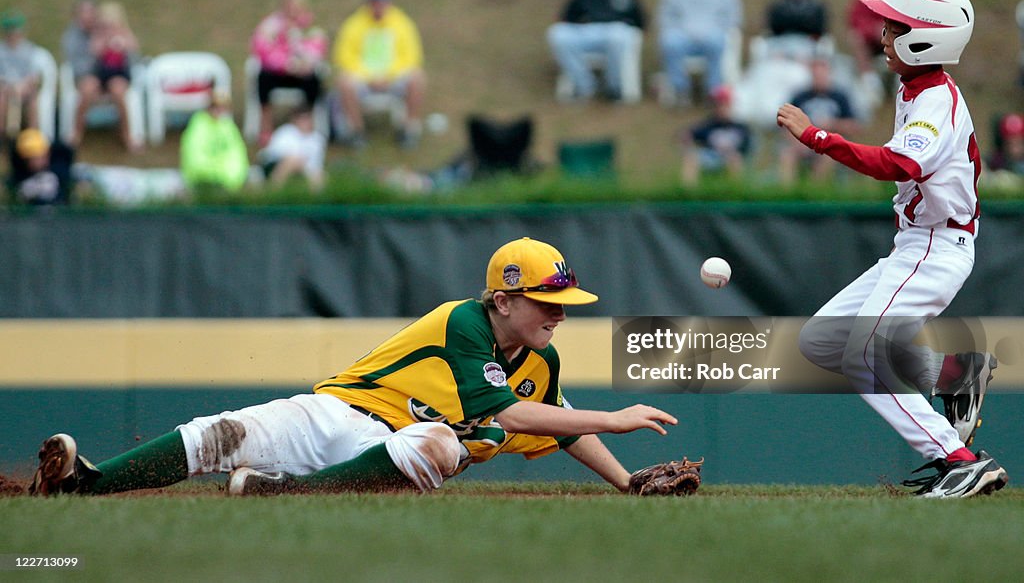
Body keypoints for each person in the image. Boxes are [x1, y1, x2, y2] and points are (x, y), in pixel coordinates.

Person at [27, 237, 682, 497]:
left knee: (441, 440)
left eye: (565, 302)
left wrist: (626, 483)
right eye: (548, 300)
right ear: (504, 299)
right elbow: (505, 412)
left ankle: (284, 496)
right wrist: (618, 416)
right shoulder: (465, 321)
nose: (561, 313)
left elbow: (563, 424)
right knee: (216, 431)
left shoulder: (541, 357)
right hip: (336, 412)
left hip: (392, 446)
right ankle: (81, 487)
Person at [777, 0, 1008, 498]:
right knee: (822, 339)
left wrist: (817, 138)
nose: (882, 34)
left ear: (925, 39)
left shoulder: (936, 102)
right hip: (916, 244)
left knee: (864, 354)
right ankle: (953, 374)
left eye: (894, 25)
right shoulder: (915, 86)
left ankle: (958, 459)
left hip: (935, 246)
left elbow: (898, 164)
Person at [333, 0, 426, 148]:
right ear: (368, 2)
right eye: (375, 1)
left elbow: (412, 56)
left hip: (393, 78)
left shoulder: (402, 23)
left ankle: (409, 130)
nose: (379, 5)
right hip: (364, 79)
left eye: (383, 1)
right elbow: (344, 56)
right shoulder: (354, 24)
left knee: (417, 77)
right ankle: (356, 131)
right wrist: (369, 77)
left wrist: (389, 75)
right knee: (344, 81)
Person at [546, 0, 647, 103]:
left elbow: (641, 22)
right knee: (557, 34)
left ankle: (614, 87)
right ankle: (585, 86)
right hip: (587, 34)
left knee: (617, 36)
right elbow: (566, 20)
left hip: (616, 34)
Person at [656, 0, 742, 105]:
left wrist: (717, 30)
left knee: (716, 41)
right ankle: (680, 90)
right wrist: (682, 32)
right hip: (683, 36)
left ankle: (713, 92)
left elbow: (733, 18)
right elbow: (665, 19)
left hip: (713, 35)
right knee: (670, 42)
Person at [251, 0, 328, 146]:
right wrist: (285, 64)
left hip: (301, 73)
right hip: (277, 72)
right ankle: (266, 126)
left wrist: (302, 63)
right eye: (289, 4)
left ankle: (306, 122)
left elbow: (317, 49)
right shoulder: (271, 25)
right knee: (263, 77)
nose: (292, 9)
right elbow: (261, 48)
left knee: (313, 80)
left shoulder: (310, 27)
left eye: (296, 5)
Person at [778, 56, 858, 184]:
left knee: (829, 156)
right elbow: (786, 124)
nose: (819, 78)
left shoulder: (840, 97)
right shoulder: (800, 97)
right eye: (816, 75)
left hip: (830, 142)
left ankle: (816, 191)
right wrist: (796, 142)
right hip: (804, 142)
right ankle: (787, 192)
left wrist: (832, 123)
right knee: (787, 154)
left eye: (822, 74)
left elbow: (853, 126)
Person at [88, 1, 142, 151]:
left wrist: (122, 43)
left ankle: (126, 133)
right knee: (87, 89)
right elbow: (93, 54)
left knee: (117, 90)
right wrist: (104, 43)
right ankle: (76, 133)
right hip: (102, 75)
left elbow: (134, 53)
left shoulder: (125, 34)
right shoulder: (98, 36)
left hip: (119, 76)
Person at [179, 89, 249, 192]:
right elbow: (194, 158)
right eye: (215, 106)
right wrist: (218, 175)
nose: (219, 110)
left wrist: (228, 177)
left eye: (223, 107)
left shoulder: (228, 126)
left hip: (227, 184)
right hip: (203, 183)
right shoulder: (198, 125)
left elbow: (237, 155)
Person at [679, 85, 750, 185]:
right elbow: (690, 133)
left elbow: (747, 148)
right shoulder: (709, 125)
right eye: (718, 104)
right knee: (691, 158)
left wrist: (732, 152)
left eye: (724, 104)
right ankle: (689, 194)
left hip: (731, 157)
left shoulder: (740, 127)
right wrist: (686, 138)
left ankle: (735, 193)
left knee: (735, 159)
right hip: (712, 158)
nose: (720, 108)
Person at [60, 0, 104, 147]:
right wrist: (94, 54)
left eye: (90, 11)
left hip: (108, 77)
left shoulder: (106, 29)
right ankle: (77, 132)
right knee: (89, 86)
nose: (87, 16)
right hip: (86, 78)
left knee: (119, 87)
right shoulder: (71, 37)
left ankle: (129, 136)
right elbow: (75, 66)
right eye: (83, 12)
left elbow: (128, 57)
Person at [764, 0, 829, 60]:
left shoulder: (816, 6)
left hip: (808, 43)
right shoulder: (778, 5)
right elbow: (773, 29)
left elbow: (819, 31)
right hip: (782, 43)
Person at [258, 104, 326, 190]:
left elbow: (316, 163)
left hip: (303, 170)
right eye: (302, 118)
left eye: (307, 118)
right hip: (273, 166)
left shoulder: (317, 139)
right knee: (292, 161)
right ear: (295, 120)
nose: (305, 122)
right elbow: (272, 154)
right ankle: (274, 190)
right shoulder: (285, 132)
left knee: (320, 175)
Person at [0, 10, 41, 137]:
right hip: (5, 88)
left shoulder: (29, 49)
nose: (13, 34)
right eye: (10, 31)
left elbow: (34, 75)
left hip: (24, 88)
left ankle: (32, 135)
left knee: (33, 100)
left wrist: (22, 86)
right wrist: (10, 86)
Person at [7, 127, 69, 206]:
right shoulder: (19, 177)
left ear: (47, 154)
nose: (33, 162)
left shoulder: (59, 171)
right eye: (28, 159)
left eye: (36, 157)